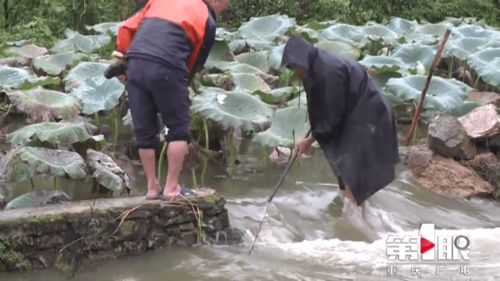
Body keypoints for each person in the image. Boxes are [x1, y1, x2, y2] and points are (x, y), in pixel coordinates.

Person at [111, 0, 230, 200]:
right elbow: (196, 60)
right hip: (169, 65)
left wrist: (122, 59)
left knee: (144, 130)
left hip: (136, 63)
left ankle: (151, 188)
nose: (224, 8)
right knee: (178, 128)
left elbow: (126, 26)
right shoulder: (207, 18)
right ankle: (172, 188)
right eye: (224, 4)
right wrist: (183, 83)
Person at [281, 35, 399, 208]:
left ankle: (353, 226)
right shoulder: (312, 68)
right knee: (347, 173)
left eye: (294, 66)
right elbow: (317, 103)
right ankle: (357, 218)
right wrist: (314, 123)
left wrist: (310, 139)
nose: (294, 71)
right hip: (354, 114)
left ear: (301, 59)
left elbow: (332, 114)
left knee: (353, 173)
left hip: (370, 115)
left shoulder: (328, 71)